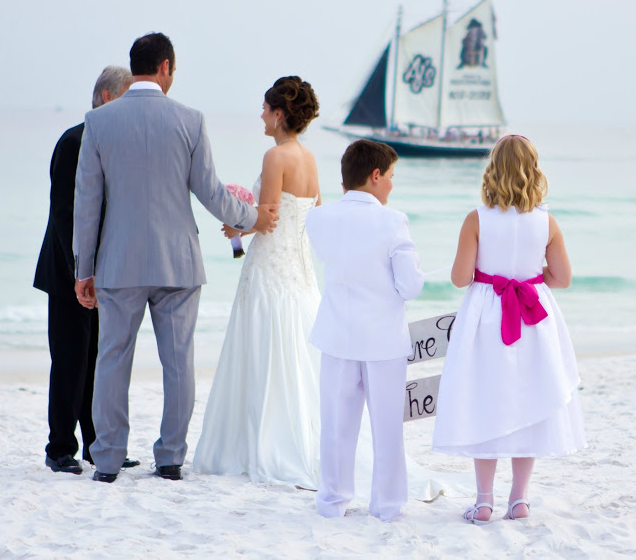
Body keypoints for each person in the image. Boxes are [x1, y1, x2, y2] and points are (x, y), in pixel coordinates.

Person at [73, 32, 278, 483]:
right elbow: (210, 192)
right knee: (178, 362)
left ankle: (107, 459)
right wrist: (252, 218)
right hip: (178, 264)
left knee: (111, 360)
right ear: (165, 67)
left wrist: (82, 270)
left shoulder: (99, 121)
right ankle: (169, 458)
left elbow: (86, 204)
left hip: (118, 263)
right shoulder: (190, 120)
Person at [432, 135, 586, 524]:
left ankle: (484, 501)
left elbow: (459, 277)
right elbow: (563, 278)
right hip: (534, 316)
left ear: (493, 169)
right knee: (528, 401)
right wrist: (530, 275)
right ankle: (519, 500)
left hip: (486, 316)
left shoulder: (476, 219)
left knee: (486, 399)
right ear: (534, 171)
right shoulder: (547, 221)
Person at [194, 75, 322, 489]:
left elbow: (266, 216)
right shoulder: (309, 157)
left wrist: (237, 225)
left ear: (279, 114)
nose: (261, 116)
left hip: (270, 269)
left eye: (266, 109)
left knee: (264, 349)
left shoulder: (276, 157)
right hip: (300, 272)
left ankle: (265, 445)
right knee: (299, 355)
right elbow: (312, 213)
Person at [305, 139, 425, 522]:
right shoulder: (393, 221)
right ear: (375, 176)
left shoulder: (319, 218)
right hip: (383, 339)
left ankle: (332, 501)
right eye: (390, 176)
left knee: (337, 426)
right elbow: (411, 286)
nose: (392, 184)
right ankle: (388, 506)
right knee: (387, 428)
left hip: (337, 334)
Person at [34, 65, 134, 475]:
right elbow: (64, 216)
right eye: (128, 99)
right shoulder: (75, 140)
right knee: (71, 361)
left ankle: (97, 445)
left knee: (98, 361)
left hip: (102, 273)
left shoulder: (112, 144)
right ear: (108, 98)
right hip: (67, 272)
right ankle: (59, 448)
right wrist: (82, 272)